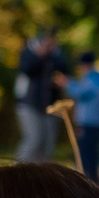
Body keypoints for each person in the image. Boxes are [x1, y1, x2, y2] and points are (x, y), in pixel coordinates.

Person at [13, 34, 66, 163]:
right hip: (29, 105)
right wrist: (40, 54)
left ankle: (41, 176)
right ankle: (17, 170)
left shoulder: (56, 57)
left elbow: (65, 70)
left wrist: (54, 53)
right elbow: (26, 68)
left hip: (50, 107)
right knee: (34, 139)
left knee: (48, 145)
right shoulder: (29, 54)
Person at [69, 50, 99, 182]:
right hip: (98, 121)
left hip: (86, 121)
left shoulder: (90, 80)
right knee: (93, 153)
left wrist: (67, 83)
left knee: (85, 154)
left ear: (84, 65)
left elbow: (79, 93)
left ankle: (86, 181)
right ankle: (93, 179)